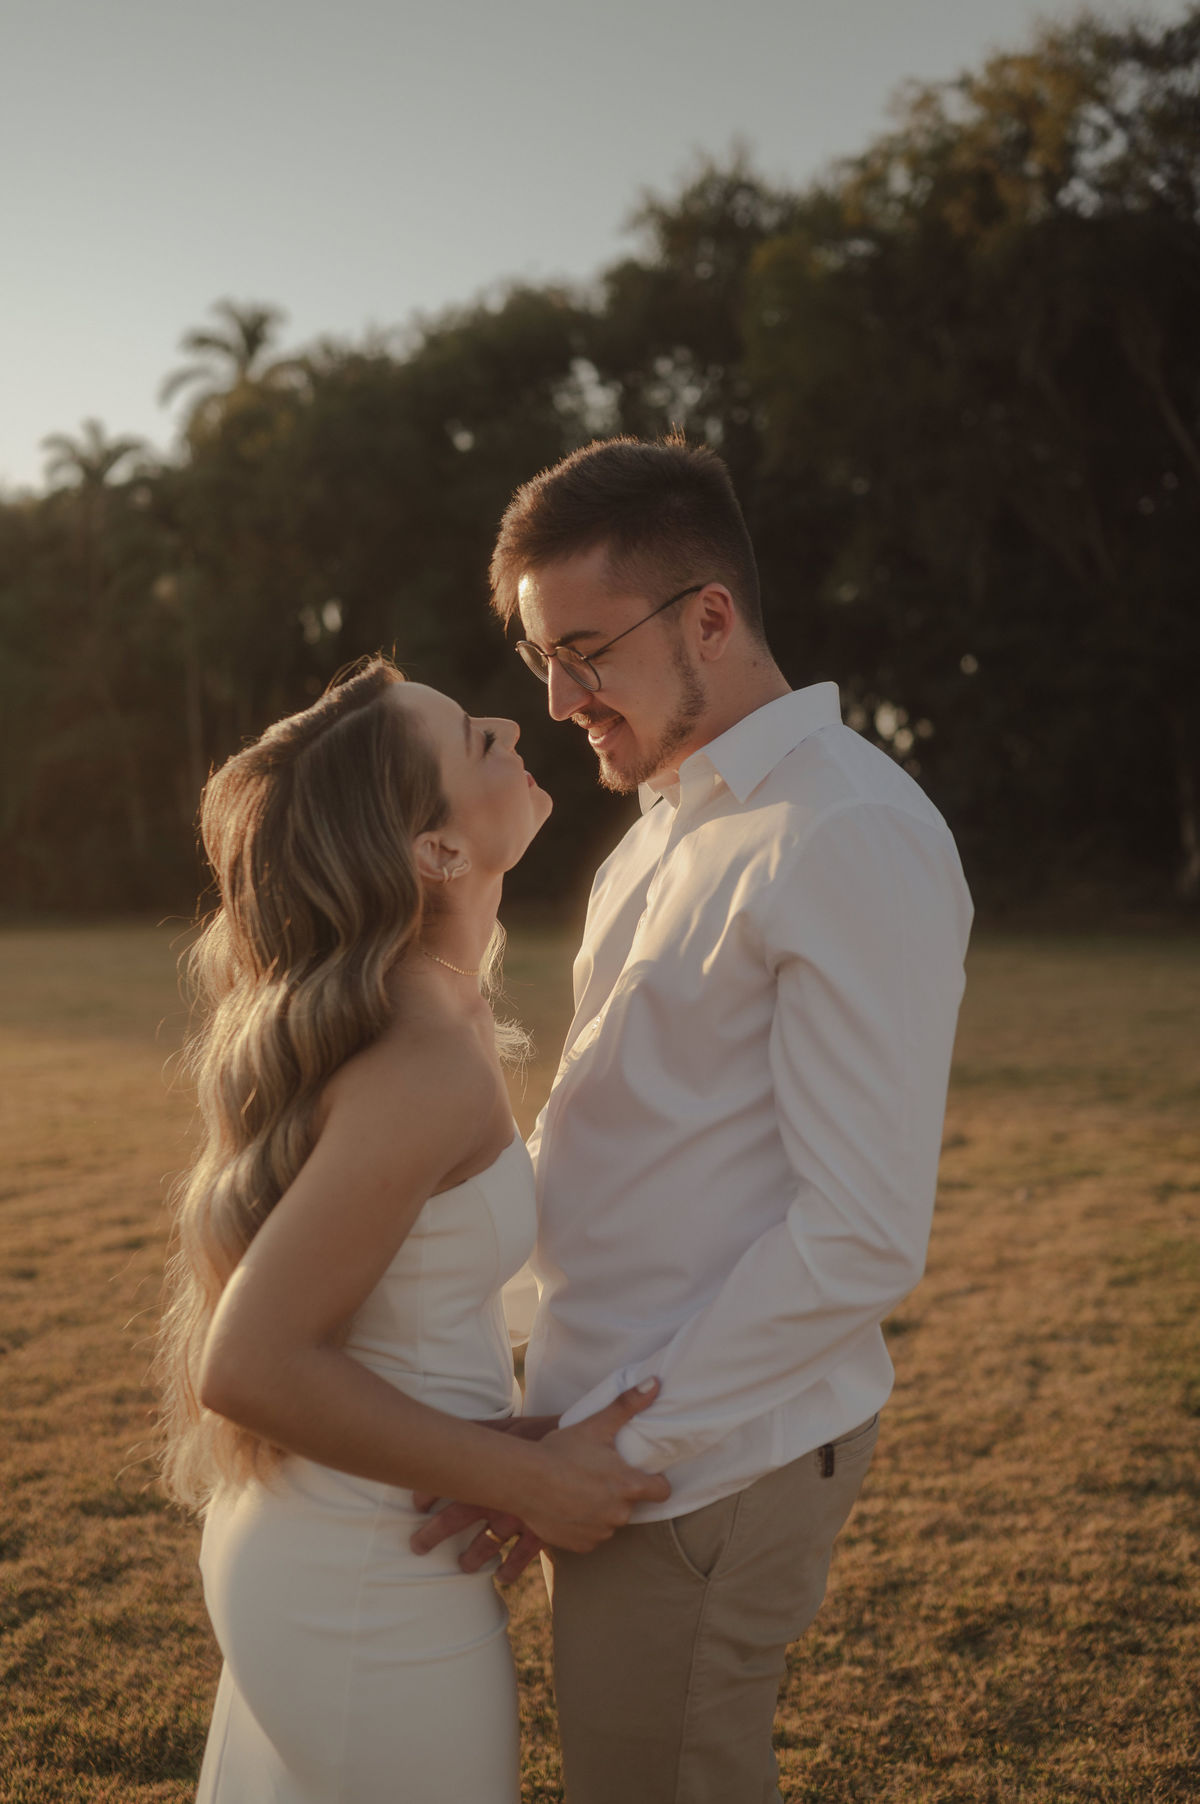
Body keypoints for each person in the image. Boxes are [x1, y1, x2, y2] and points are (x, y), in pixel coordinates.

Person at [413, 437, 973, 1803]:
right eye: (541, 658)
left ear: (710, 618)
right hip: (612, 1435)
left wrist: (607, 1451)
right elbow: (627, 1138)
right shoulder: (668, 822)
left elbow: (858, 1237)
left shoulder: (844, 832)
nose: (558, 700)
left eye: (585, 652)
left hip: (703, 1465)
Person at [155, 658, 669, 1804]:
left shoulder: (436, 1008)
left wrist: (498, 1440)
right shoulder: (423, 1055)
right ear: (435, 850)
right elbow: (249, 1362)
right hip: (362, 1582)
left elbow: (407, 1293)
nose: (510, 723)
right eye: (476, 739)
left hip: (351, 1539)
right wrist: (525, 1478)